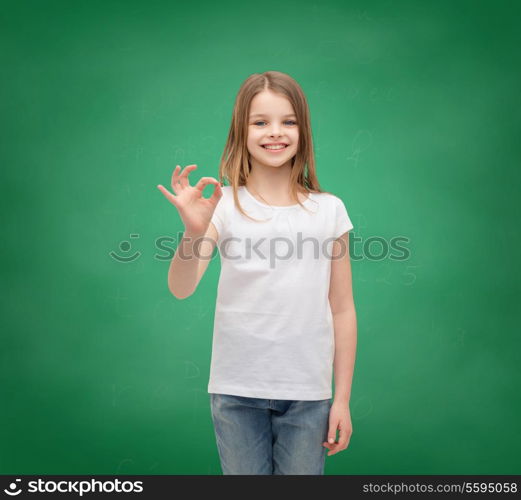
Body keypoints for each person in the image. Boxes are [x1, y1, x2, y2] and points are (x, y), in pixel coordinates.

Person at [157, 70, 357, 475]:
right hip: (236, 391)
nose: (275, 133)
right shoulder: (223, 205)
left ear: (302, 130)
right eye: (260, 122)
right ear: (241, 131)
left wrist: (342, 400)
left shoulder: (330, 209)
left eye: (288, 121)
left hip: (308, 395)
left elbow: (342, 310)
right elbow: (181, 287)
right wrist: (192, 232)